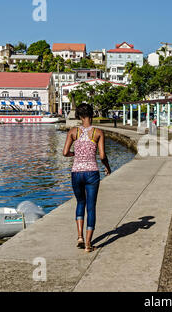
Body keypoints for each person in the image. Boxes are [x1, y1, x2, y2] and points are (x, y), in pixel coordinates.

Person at [63, 103, 112, 253]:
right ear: (92, 115)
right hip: (92, 172)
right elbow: (102, 156)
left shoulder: (73, 131)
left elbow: (65, 153)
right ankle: (88, 244)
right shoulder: (98, 132)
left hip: (76, 172)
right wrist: (108, 167)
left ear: (78, 116)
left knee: (80, 203)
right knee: (91, 207)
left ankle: (79, 237)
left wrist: (76, 155)